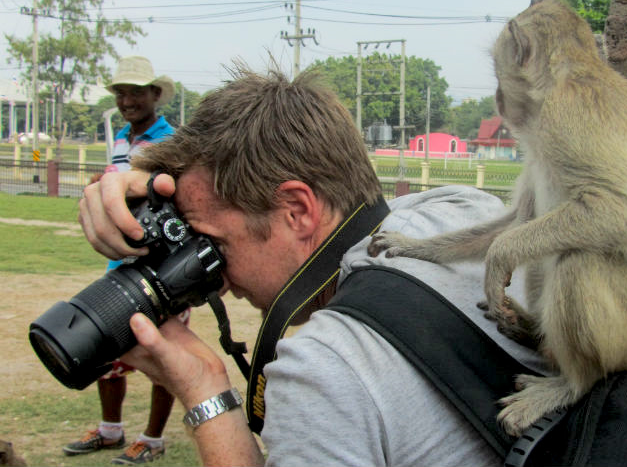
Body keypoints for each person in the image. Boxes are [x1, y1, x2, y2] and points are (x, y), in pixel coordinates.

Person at [77, 66, 549, 466]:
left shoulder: (323, 372)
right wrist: (163, 199)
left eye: (216, 245)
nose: (216, 285)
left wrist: (203, 388)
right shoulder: (466, 210)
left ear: (298, 211)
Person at [64, 56, 185, 465]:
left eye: (135, 92)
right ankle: (111, 430)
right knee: (107, 345)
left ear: (155, 94)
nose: (127, 100)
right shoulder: (122, 137)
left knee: (164, 355)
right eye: (121, 93)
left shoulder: (169, 140)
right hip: (121, 264)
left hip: (159, 267)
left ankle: (152, 439)